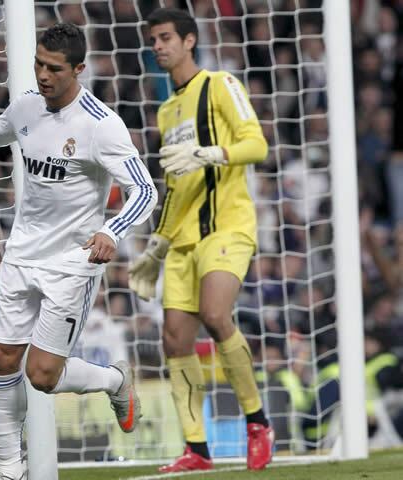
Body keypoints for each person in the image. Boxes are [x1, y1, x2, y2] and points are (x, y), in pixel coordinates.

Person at [0, 23, 157, 480]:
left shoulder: (101, 124)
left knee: (42, 375)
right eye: (39, 63)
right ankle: (9, 469)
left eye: (54, 69)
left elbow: (144, 189)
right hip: (21, 254)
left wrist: (112, 231)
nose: (43, 74)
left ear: (78, 69)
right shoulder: (27, 105)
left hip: (72, 262)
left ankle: (115, 380)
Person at [128, 8, 273, 472]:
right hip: (184, 241)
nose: (158, 46)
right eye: (153, 40)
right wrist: (157, 245)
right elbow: (177, 185)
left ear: (189, 40)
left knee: (215, 313)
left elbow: (258, 144)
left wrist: (209, 152)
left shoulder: (221, 84)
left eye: (166, 37)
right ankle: (197, 449)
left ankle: (258, 421)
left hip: (227, 227)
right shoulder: (166, 108)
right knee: (174, 341)